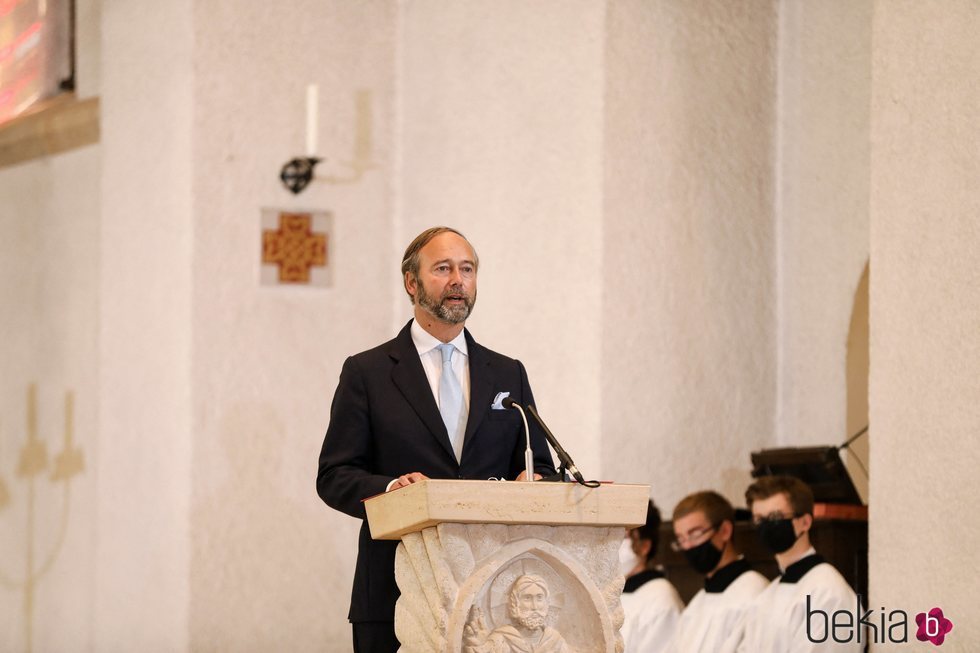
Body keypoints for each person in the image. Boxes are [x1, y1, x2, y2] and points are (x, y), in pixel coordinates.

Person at [316, 226, 556, 653]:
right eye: (443, 269)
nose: (457, 281)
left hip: (493, 597)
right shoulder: (367, 373)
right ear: (412, 283)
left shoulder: (507, 373)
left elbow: (541, 466)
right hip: (394, 592)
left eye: (467, 269)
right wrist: (390, 490)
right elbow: (335, 475)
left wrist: (531, 481)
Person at [736, 475, 863, 652]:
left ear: (805, 522)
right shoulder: (764, 598)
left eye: (775, 517)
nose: (766, 527)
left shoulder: (828, 593)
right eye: (759, 519)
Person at [668, 490, 768, 652]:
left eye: (695, 534)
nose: (687, 546)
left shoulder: (754, 592)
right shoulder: (697, 603)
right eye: (681, 539)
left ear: (725, 531)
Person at [618, 500, 683, 653]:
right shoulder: (614, 592)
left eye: (624, 537)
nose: (614, 545)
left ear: (645, 546)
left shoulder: (660, 598)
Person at [463, 574, 573, 653]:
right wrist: (479, 646)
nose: (534, 606)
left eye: (539, 598)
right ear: (515, 603)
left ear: (547, 602)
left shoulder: (555, 641)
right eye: (527, 598)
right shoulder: (502, 639)